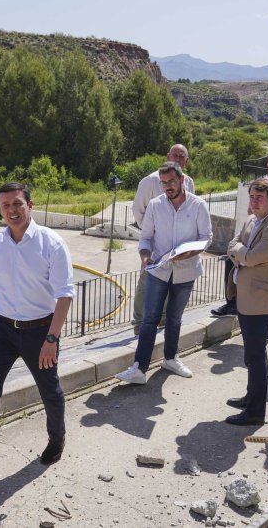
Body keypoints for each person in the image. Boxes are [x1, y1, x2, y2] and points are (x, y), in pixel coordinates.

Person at [0, 182, 73, 498]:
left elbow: (64, 295)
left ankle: (56, 438)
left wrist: (52, 337)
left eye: (17, 203)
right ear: (0, 209)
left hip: (40, 332)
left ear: (30, 204)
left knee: (49, 390)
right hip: (2, 330)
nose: (12, 210)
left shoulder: (52, 243)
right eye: (6, 205)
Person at [115, 162, 212, 385]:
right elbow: (146, 237)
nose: (168, 186)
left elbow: (206, 238)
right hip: (158, 271)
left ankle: (170, 359)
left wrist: (187, 254)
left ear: (182, 180)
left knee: (174, 319)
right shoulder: (155, 205)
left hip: (186, 273)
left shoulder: (198, 205)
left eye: (172, 182)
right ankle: (139, 368)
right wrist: (145, 256)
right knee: (149, 319)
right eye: (164, 183)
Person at [223, 179, 268, 426]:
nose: (253, 201)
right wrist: (240, 251)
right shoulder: (253, 220)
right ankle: (251, 398)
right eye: (251, 196)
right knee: (251, 357)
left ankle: (255, 412)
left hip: (260, 302)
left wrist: (239, 253)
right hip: (247, 298)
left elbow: (250, 257)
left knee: (256, 356)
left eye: (259, 197)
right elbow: (233, 243)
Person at [210, 151, 268, 318]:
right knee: (235, 265)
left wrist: (263, 209)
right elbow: (251, 210)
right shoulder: (263, 182)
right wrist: (263, 206)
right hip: (253, 233)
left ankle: (267, 320)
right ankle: (233, 304)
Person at [130, 144, 194, 326]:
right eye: (175, 155)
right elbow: (137, 209)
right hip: (154, 244)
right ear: (167, 156)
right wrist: (150, 231)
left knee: (170, 281)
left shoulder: (189, 182)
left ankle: (162, 318)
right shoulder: (150, 181)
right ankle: (139, 321)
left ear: (186, 162)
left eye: (182, 157)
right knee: (147, 282)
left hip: (177, 244)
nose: (178, 159)